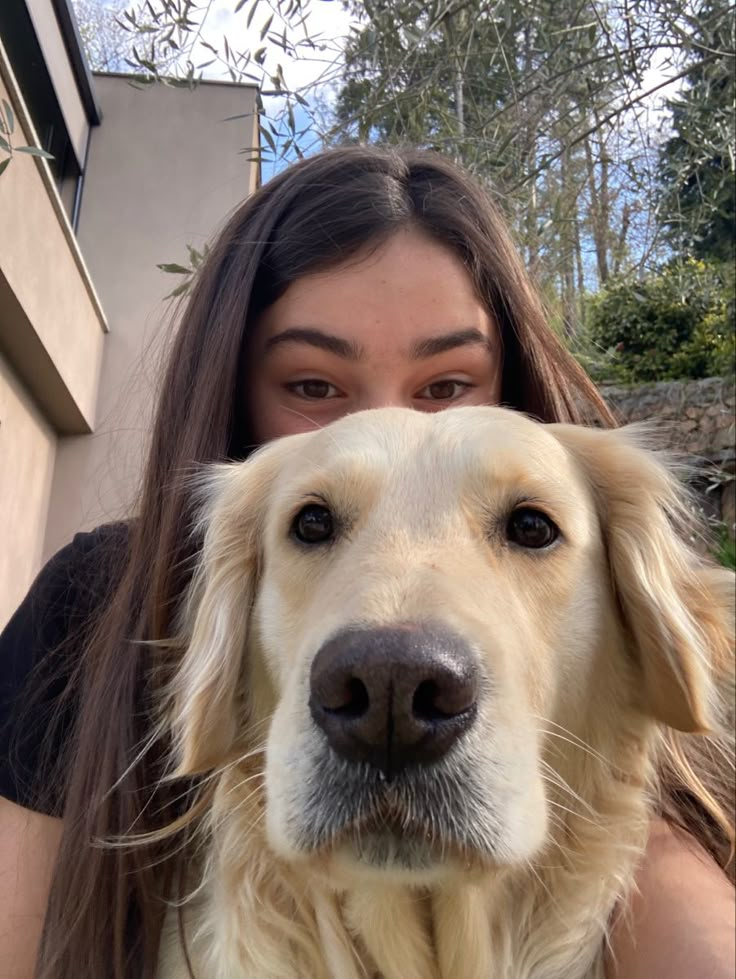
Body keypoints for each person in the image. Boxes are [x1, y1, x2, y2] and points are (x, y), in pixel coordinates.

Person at [1, 145, 733, 979]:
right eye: (313, 385)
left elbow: (660, 804)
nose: (384, 431)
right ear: (232, 391)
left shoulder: (600, 520)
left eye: (449, 384)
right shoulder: (105, 593)